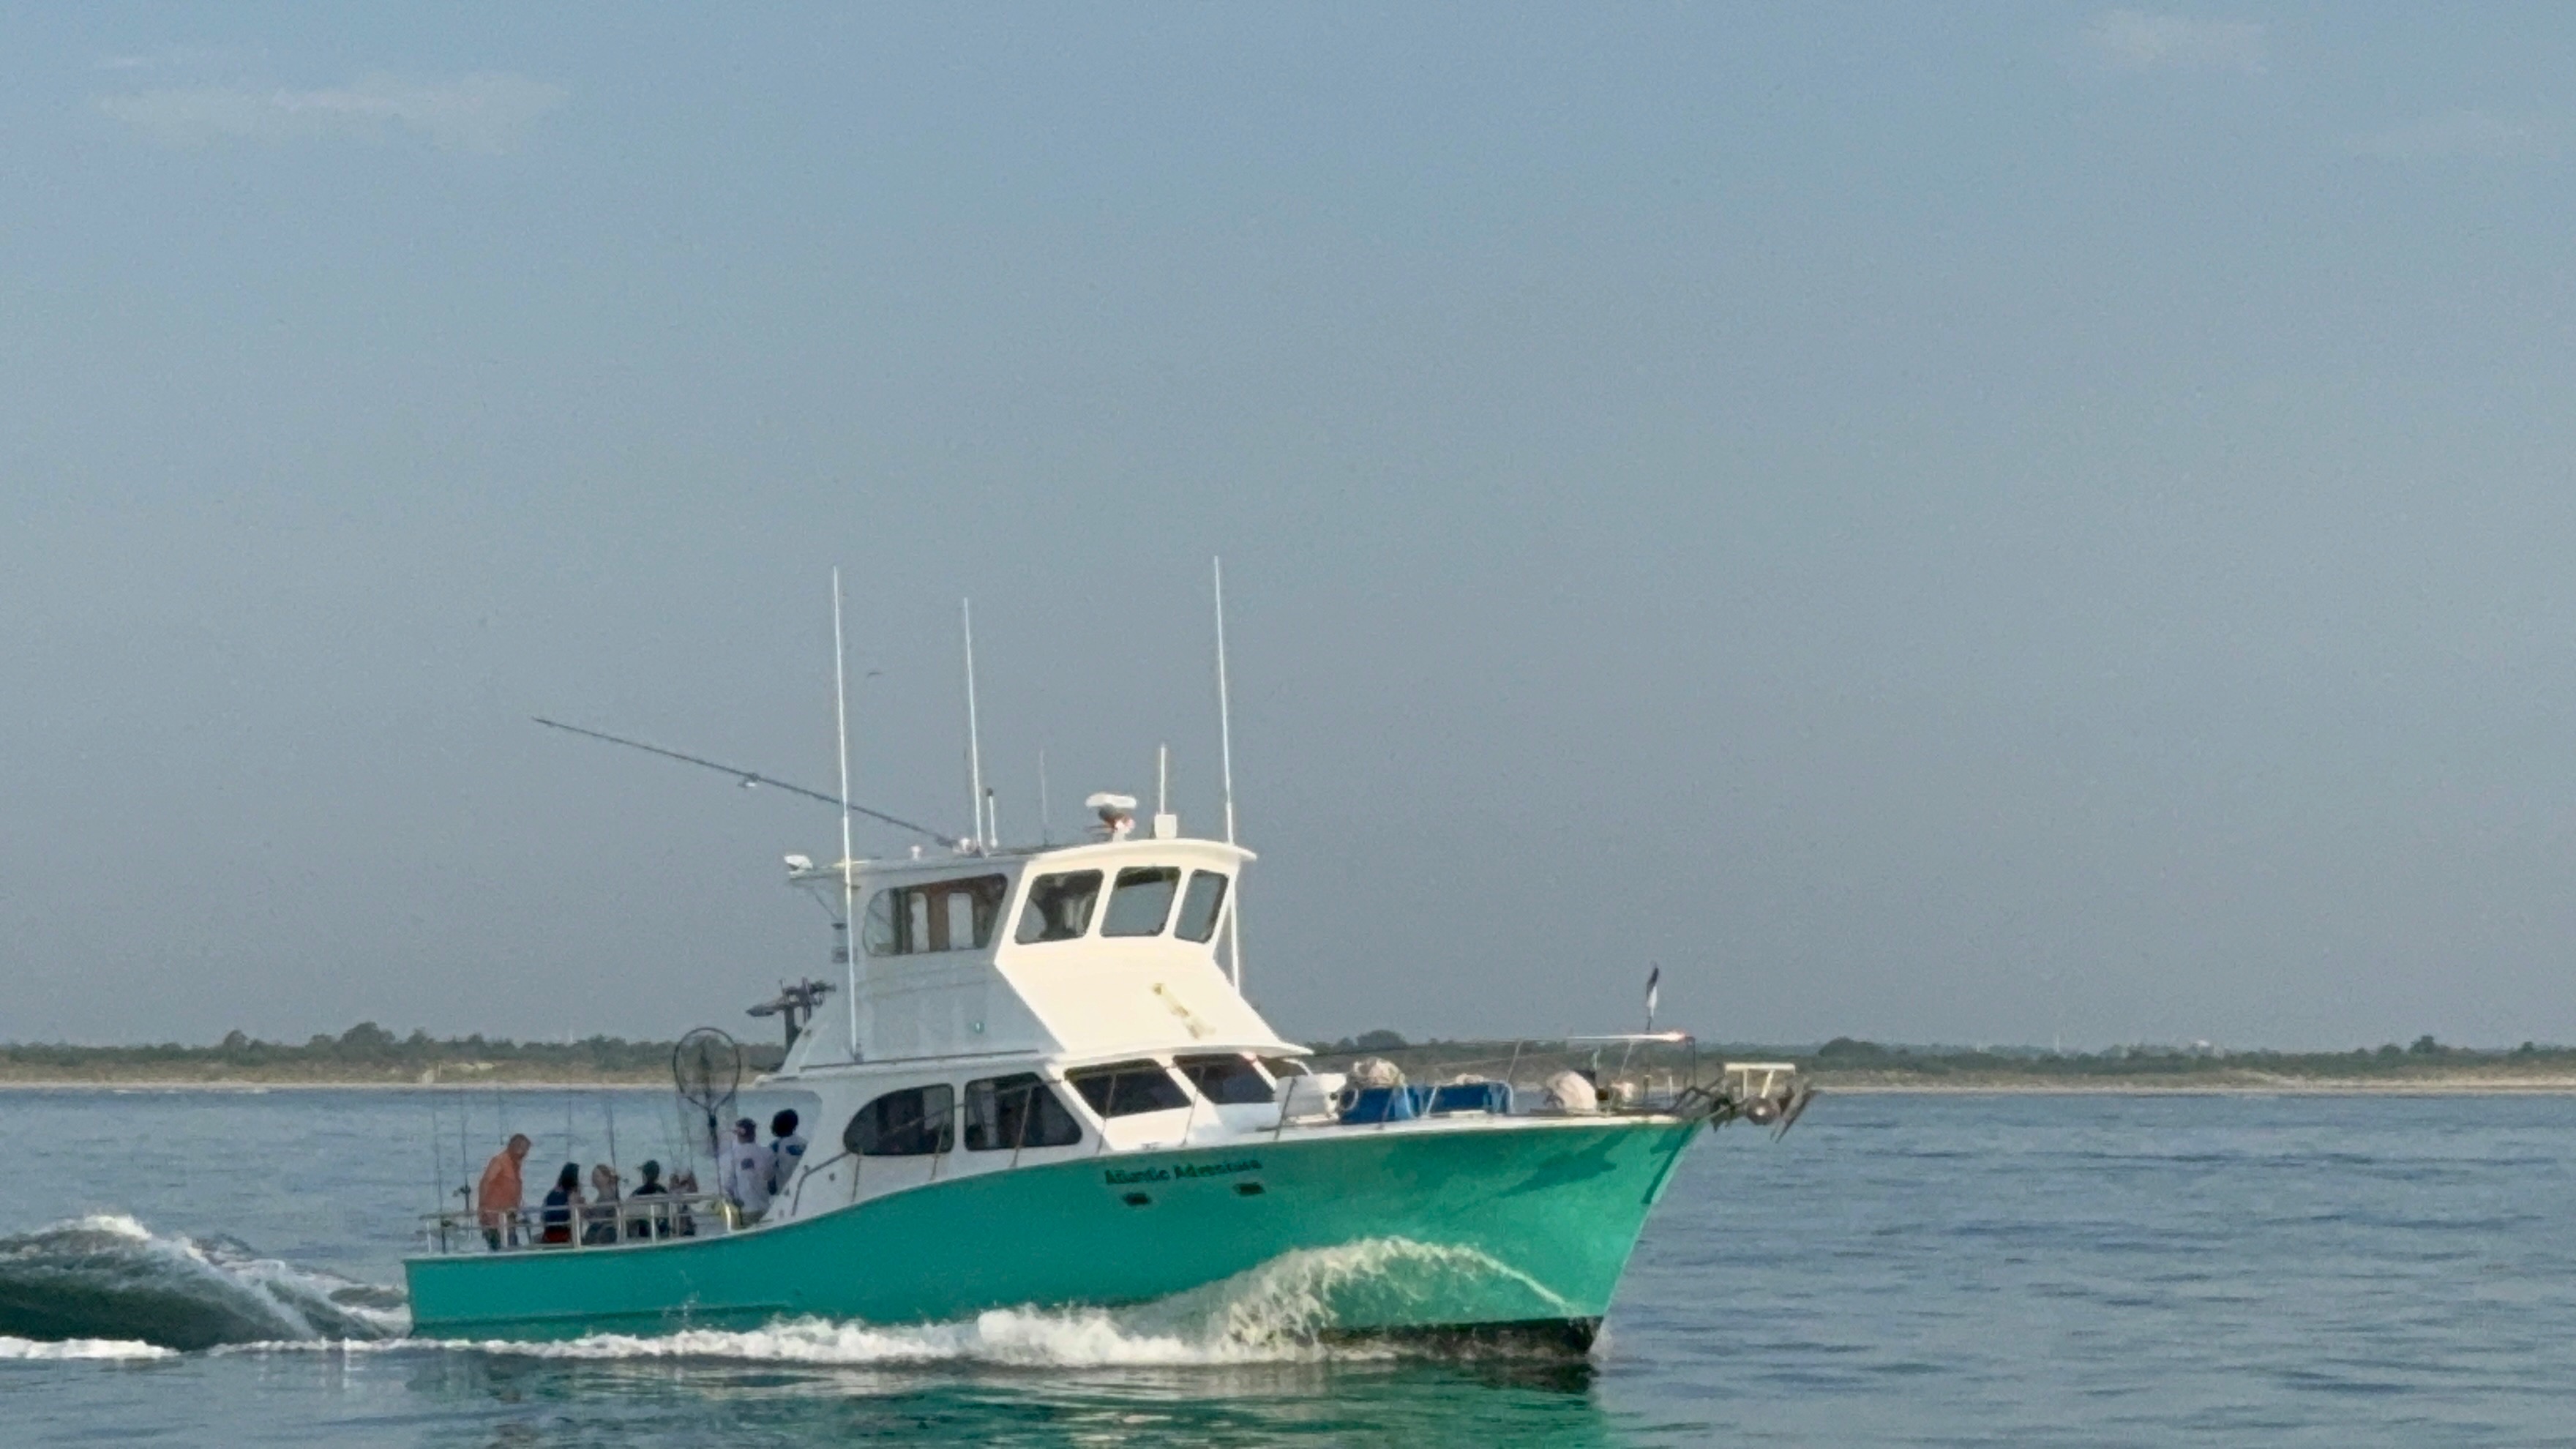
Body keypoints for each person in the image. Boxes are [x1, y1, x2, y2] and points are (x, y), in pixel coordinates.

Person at [475, 1134, 531, 1251]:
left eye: (526, 1151)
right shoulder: (500, 1161)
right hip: (494, 1218)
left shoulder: (516, 1165)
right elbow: (485, 1182)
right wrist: (482, 1207)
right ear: (514, 1147)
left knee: (513, 1247)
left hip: (509, 1218)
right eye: (523, 1150)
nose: (524, 1155)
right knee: (500, 1249)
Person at [718, 1117, 773, 1224]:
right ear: (754, 1133)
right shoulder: (767, 1153)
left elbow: (728, 1185)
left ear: (737, 1135)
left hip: (745, 1209)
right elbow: (770, 1179)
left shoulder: (731, 1156)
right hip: (765, 1207)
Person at [766, 1109, 809, 1198]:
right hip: (803, 1188)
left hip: (784, 1193)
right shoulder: (804, 1144)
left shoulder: (775, 1146)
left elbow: (769, 1171)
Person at [539, 1162, 584, 1245]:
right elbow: (575, 1215)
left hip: (549, 1233)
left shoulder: (552, 1193)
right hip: (564, 1234)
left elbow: (543, 1215)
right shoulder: (572, 1194)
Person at [627, 1159, 669, 1240]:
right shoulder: (663, 1191)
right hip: (662, 1228)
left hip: (644, 1231)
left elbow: (630, 1209)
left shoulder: (638, 1193)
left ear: (645, 1175)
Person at [583, 1164, 622, 1246]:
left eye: (597, 1176)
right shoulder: (604, 1194)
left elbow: (600, 1216)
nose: (594, 1179)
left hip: (604, 1233)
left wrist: (587, 1212)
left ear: (606, 1178)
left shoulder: (607, 1195)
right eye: (593, 1176)